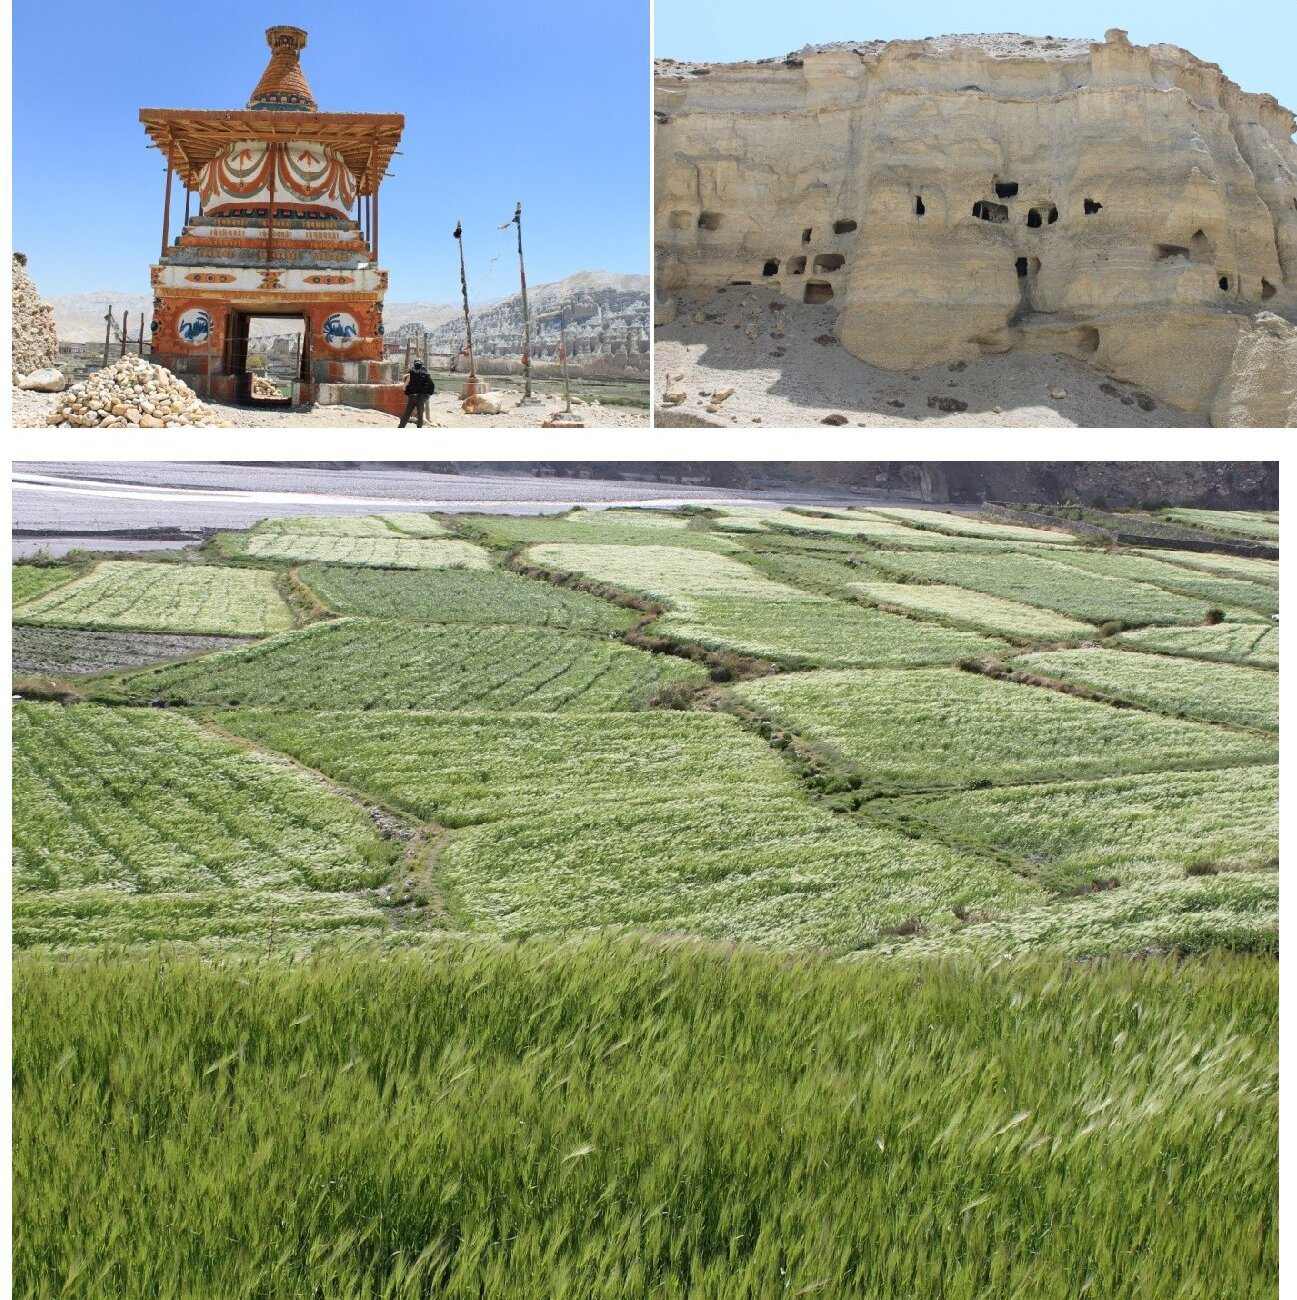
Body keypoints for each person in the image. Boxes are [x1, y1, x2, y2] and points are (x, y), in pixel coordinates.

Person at [399, 360, 436, 428]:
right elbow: (432, 386)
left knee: (406, 415)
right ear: (421, 365)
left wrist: (407, 393)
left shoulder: (410, 373)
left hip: (412, 397)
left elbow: (404, 387)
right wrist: (427, 395)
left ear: (414, 365)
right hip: (421, 398)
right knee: (420, 416)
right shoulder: (426, 374)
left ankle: (401, 427)